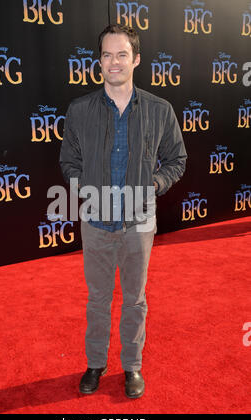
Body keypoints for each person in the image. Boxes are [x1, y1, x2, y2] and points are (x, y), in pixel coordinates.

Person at [60, 24, 187, 399]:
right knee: (98, 299)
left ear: (136, 60)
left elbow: (177, 160)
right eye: (106, 55)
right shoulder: (80, 110)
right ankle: (95, 364)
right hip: (96, 222)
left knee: (134, 299)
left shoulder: (160, 110)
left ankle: (132, 366)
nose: (113, 62)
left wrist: (154, 184)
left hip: (138, 222)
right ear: (99, 61)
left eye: (121, 54)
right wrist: (85, 189)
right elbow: (69, 161)